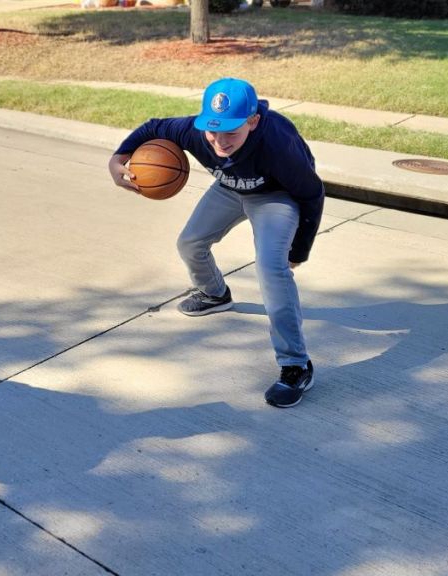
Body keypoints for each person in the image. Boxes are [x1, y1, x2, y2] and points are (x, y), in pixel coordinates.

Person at [108, 78, 324, 409]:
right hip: (230, 188)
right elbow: (153, 127)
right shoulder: (195, 131)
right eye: (213, 130)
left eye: (231, 132)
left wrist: (299, 250)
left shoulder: (277, 144)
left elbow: (311, 193)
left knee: (271, 269)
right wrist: (117, 158)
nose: (219, 140)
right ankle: (215, 293)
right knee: (190, 243)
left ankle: (296, 365)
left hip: (275, 194)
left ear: (252, 121)